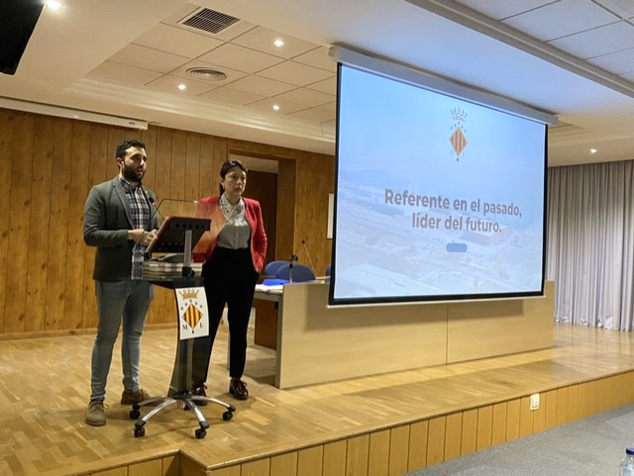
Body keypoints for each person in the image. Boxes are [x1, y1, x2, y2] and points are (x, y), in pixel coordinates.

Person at [82, 139, 159, 426]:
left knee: (134, 335)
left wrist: (158, 235)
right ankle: (96, 399)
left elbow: (157, 229)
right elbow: (90, 234)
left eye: (145, 159)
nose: (142, 163)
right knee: (106, 337)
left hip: (144, 278)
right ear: (120, 161)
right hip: (113, 278)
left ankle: (131, 390)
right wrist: (129, 234)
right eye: (136, 158)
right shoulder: (101, 192)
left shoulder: (150, 196)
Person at [191, 159, 267, 401]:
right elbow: (199, 239)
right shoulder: (209, 205)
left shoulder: (253, 206)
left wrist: (257, 265)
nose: (239, 182)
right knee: (208, 326)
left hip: (244, 269)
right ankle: (198, 381)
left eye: (242, 178)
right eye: (233, 177)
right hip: (217, 266)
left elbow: (261, 240)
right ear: (222, 181)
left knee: (239, 327)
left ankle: (236, 378)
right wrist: (199, 263)